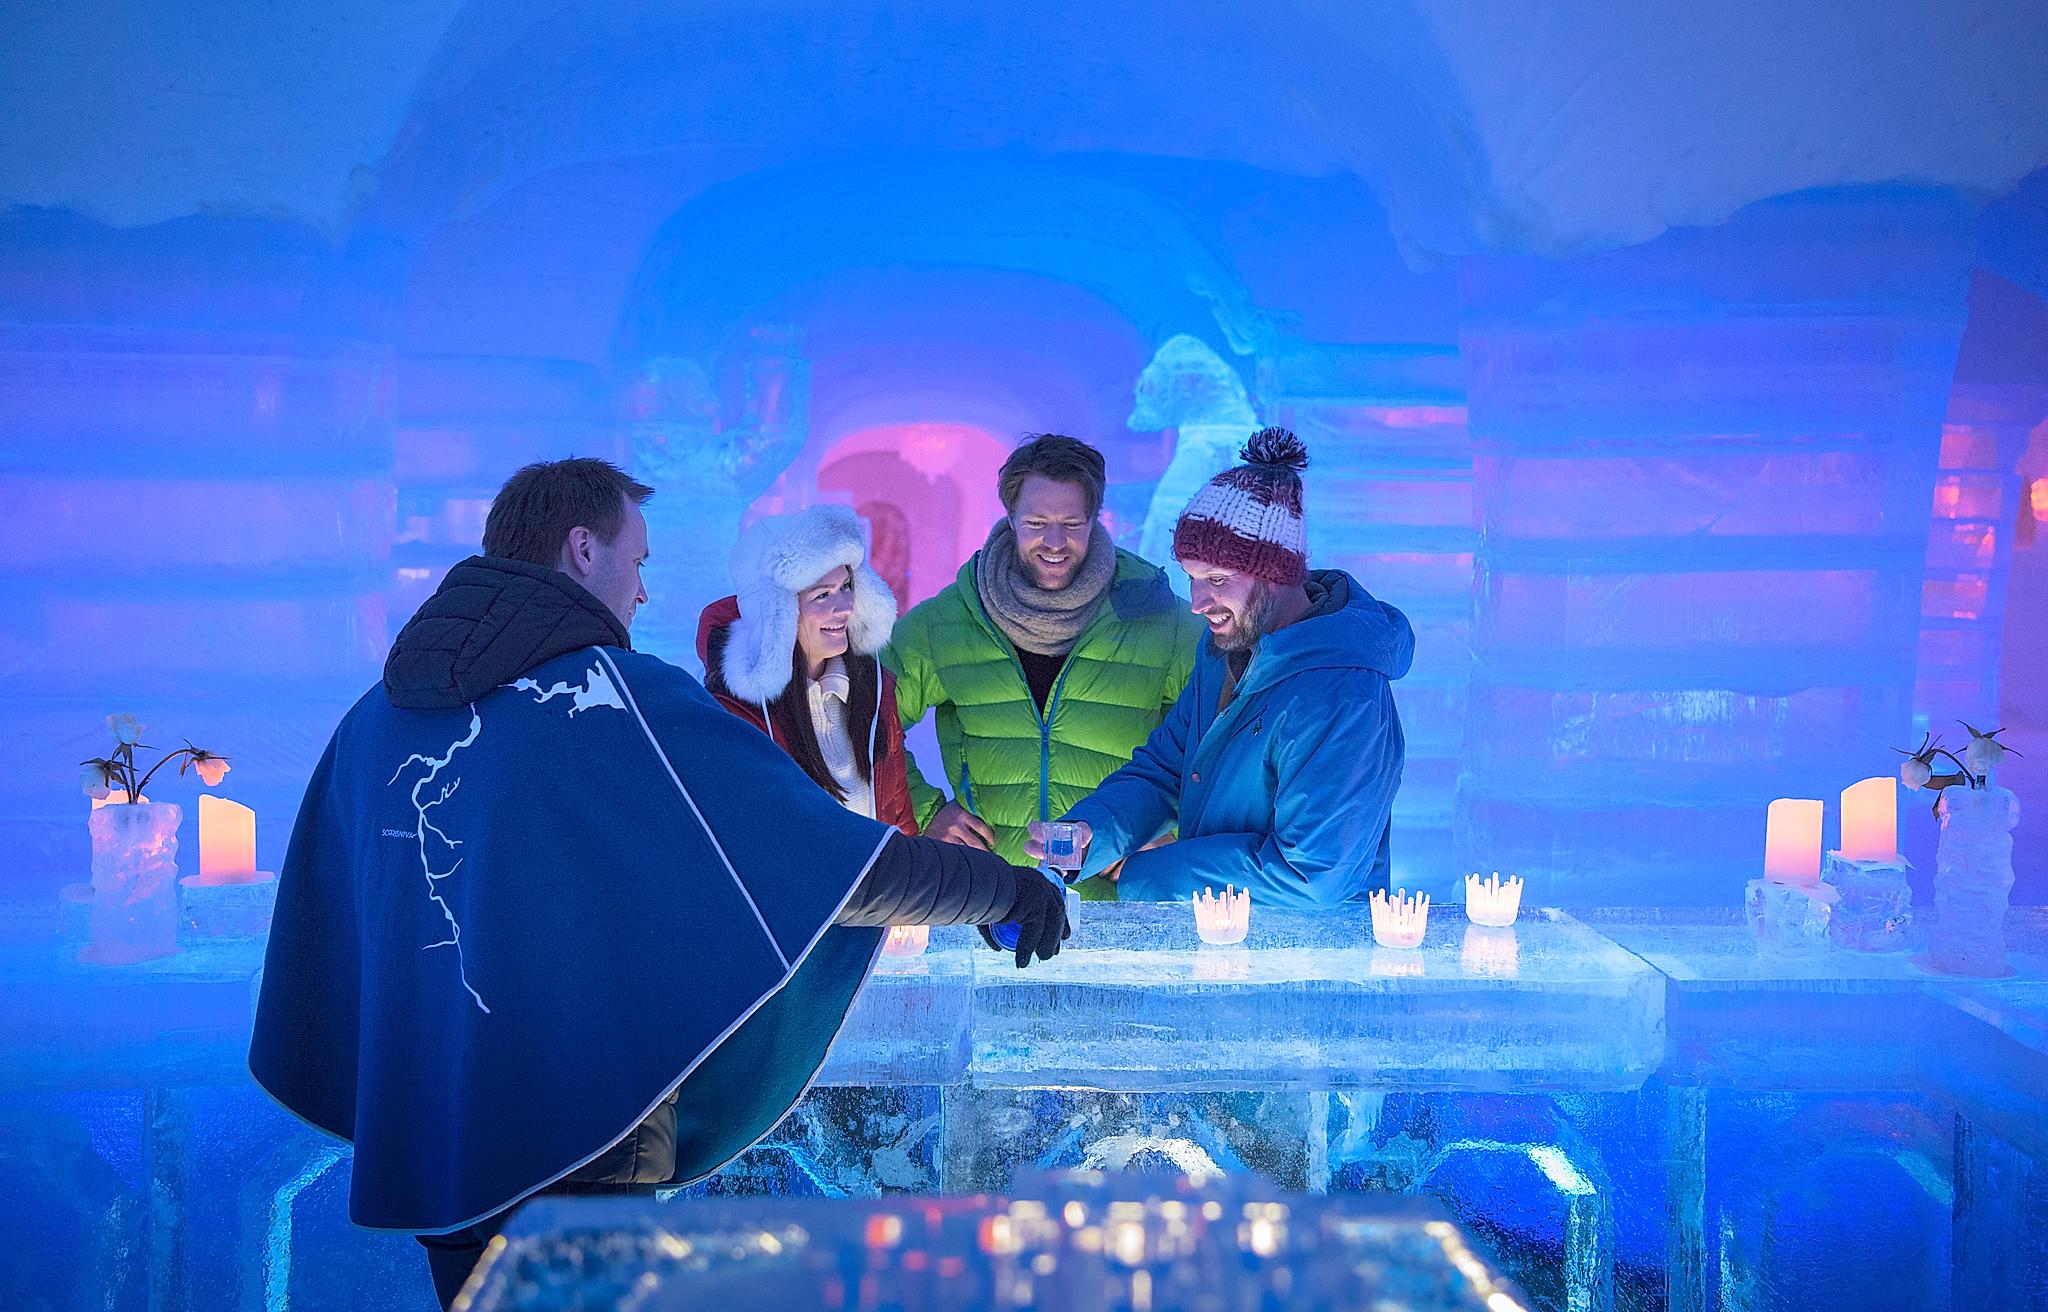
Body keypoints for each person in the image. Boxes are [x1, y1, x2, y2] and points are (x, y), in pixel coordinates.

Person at [248, 458, 1067, 1309]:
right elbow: (824, 863)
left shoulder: (376, 720)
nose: (641, 594)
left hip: (437, 1141)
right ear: (580, 548)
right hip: (584, 1149)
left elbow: (328, 920)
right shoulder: (614, 702)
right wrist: (1004, 890)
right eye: (637, 562)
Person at [1030, 428, 1411, 905]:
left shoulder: (1342, 696)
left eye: (1216, 579)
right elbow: (1165, 771)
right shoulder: (1226, 653)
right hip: (1223, 943)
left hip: (1308, 968)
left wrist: (1146, 874)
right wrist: (1093, 833)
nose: (1197, 602)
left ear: (1276, 577)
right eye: (1191, 577)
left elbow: (1312, 875)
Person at [884, 434, 1204, 876]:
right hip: (992, 899)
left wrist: (1168, 828)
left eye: (1072, 523)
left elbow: (1229, 733)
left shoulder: (1157, 617)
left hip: (1111, 907)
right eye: (1036, 522)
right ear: (1011, 518)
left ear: (1095, 519)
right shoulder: (947, 623)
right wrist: (925, 812)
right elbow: (864, 718)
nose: (1055, 542)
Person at [696, 503, 918, 833]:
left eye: (846, 587)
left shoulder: (875, 692)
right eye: (822, 596)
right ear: (778, 617)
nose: (845, 607)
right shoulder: (737, 715)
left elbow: (899, 824)